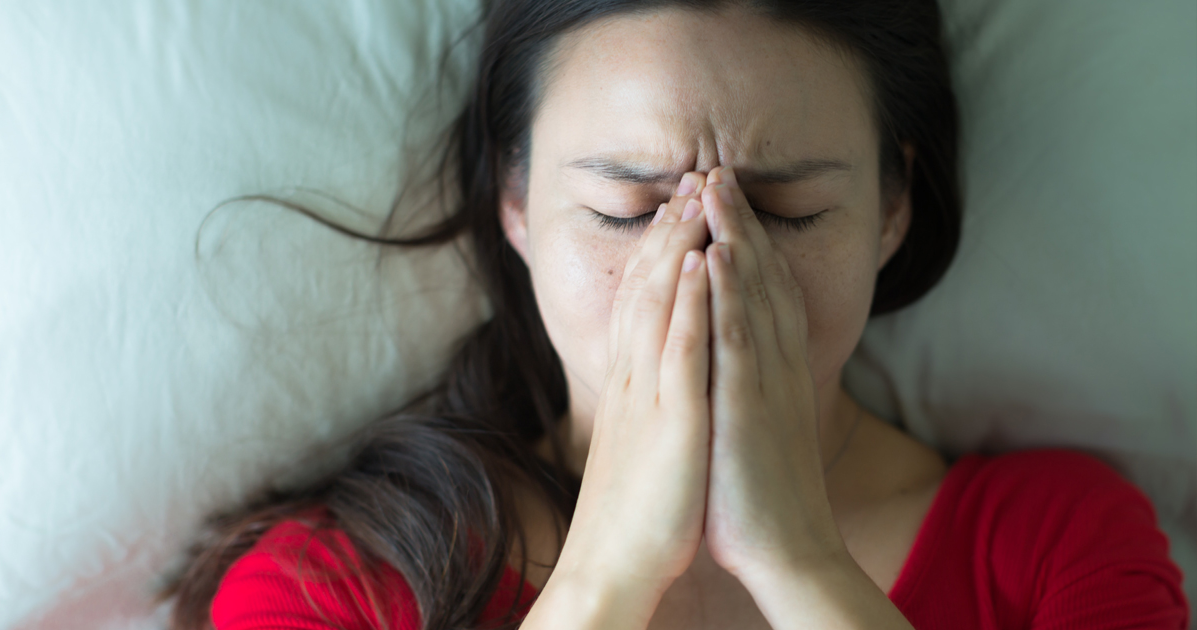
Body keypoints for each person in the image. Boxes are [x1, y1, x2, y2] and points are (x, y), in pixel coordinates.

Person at [159, 1, 1189, 628]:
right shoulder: (334, 584)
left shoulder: (1059, 545)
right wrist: (607, 576)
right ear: (514, 200)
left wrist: (802, 566)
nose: (700, 265)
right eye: (623, 209)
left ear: (891, 207)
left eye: (786, 208)